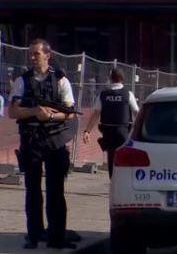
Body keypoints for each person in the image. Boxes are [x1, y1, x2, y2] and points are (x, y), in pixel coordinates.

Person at [8, 38, 77, 249]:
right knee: (32, 190)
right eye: (31, 54)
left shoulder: (61, 81)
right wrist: (34, 112)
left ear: (48, 55)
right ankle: (34, 235)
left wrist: (50, 116)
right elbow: (12, 111)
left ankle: (57, 237)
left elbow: (70, 113)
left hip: (55, 141)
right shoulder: (22, 81)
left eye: (36, 54)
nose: (32, 57)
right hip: (32, 141)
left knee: (56, 191)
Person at [83, 68, 139, 178]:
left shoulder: (103, 95)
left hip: (108, 132)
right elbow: (136, 112)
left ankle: (113, 181)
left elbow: (95, 114)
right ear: (122, 79)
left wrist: (87, 131)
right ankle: (124, 182)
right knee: (125, 157)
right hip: (123, 131)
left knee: (111, 158)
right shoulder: (128, 94)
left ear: (110, 79)